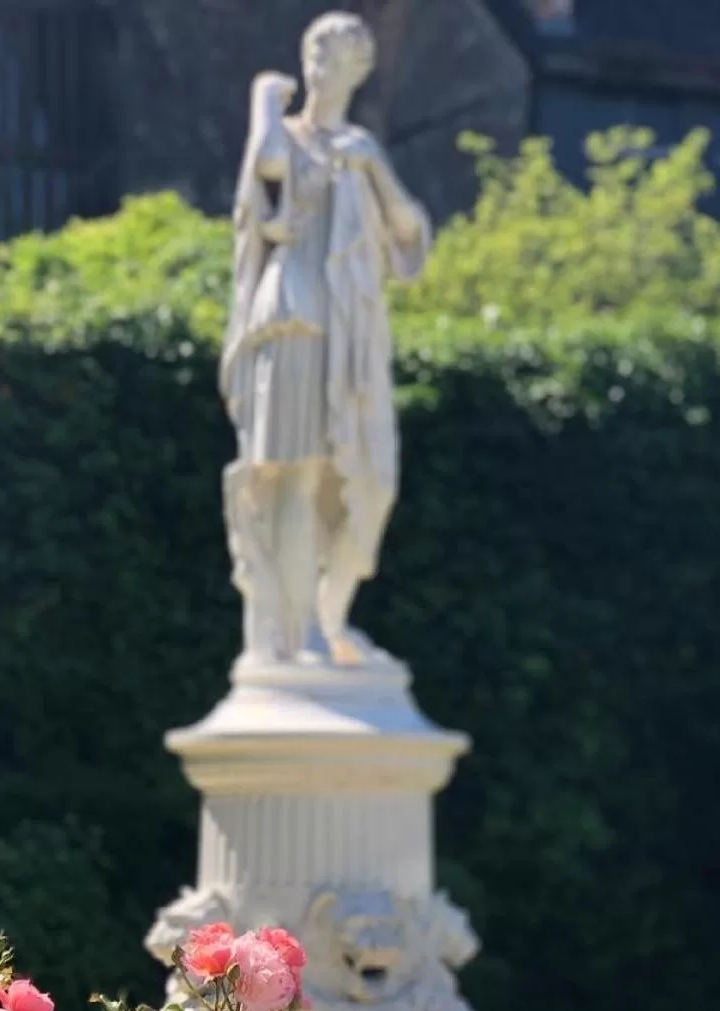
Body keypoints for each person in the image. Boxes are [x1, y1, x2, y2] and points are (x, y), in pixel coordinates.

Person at [221, 12, 431, 668]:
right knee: (293, 478)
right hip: (291, 316)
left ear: (360, 72)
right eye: (316, 52)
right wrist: (263, 100)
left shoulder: (359, 147)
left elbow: (408, 236)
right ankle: (295, 631)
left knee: (367, 480)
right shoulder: (283, 135)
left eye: (337, 57)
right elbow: (269, 173)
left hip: (348, 332)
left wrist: (375, 170)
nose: (321, 66)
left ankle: (327, 614)